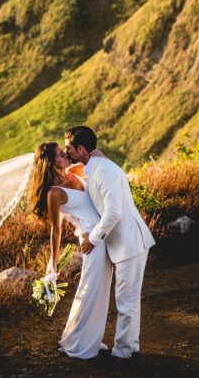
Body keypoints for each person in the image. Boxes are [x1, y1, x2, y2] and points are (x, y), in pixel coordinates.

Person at [64, 125, 155, 360]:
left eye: (69, 148)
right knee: (128, 300)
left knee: (126, 301)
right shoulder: (94, 166)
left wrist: (92, 239)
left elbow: (113, 212)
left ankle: (123, 354)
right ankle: (130, 348)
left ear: (81, 149)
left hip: (129, 242)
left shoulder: (103, 170)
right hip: (119, 243)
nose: (66, 153)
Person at [25, 141, 110, 359]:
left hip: (100, 235)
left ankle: (87, 338)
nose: (66, 156)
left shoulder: (74, 171)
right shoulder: (54, 193)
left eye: (64, 153)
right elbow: (56, 230)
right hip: (90, 242)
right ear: (51, 162)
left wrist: (100, 158)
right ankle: (79, 343)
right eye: (61, 155)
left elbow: (99, 175)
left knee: (100, 291)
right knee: (91, 291)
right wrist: (52, 264)